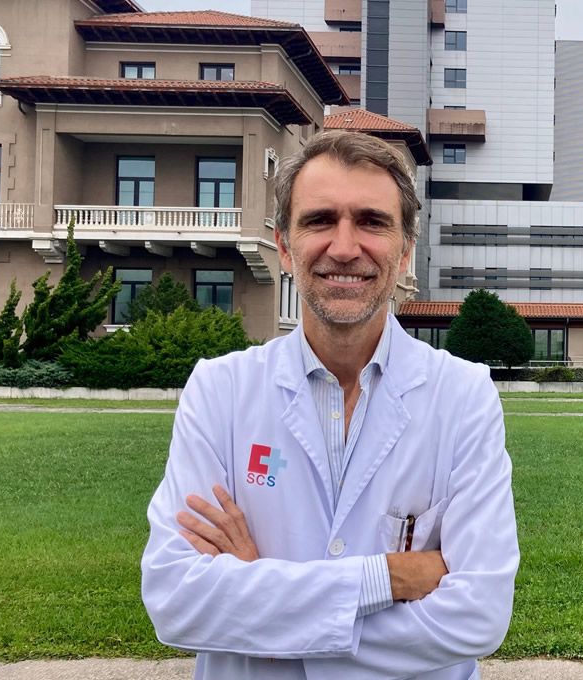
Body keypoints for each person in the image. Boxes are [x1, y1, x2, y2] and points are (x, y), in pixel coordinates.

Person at [140, 131, 519, 680]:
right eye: (320, 220)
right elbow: (175, 600)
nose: (344, 248)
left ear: (405, 249)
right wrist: (385, 579)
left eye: (372, 221)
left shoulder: (463, 396)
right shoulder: (219, 391)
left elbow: (478, 617)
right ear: (286, 246)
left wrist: (263, 608)